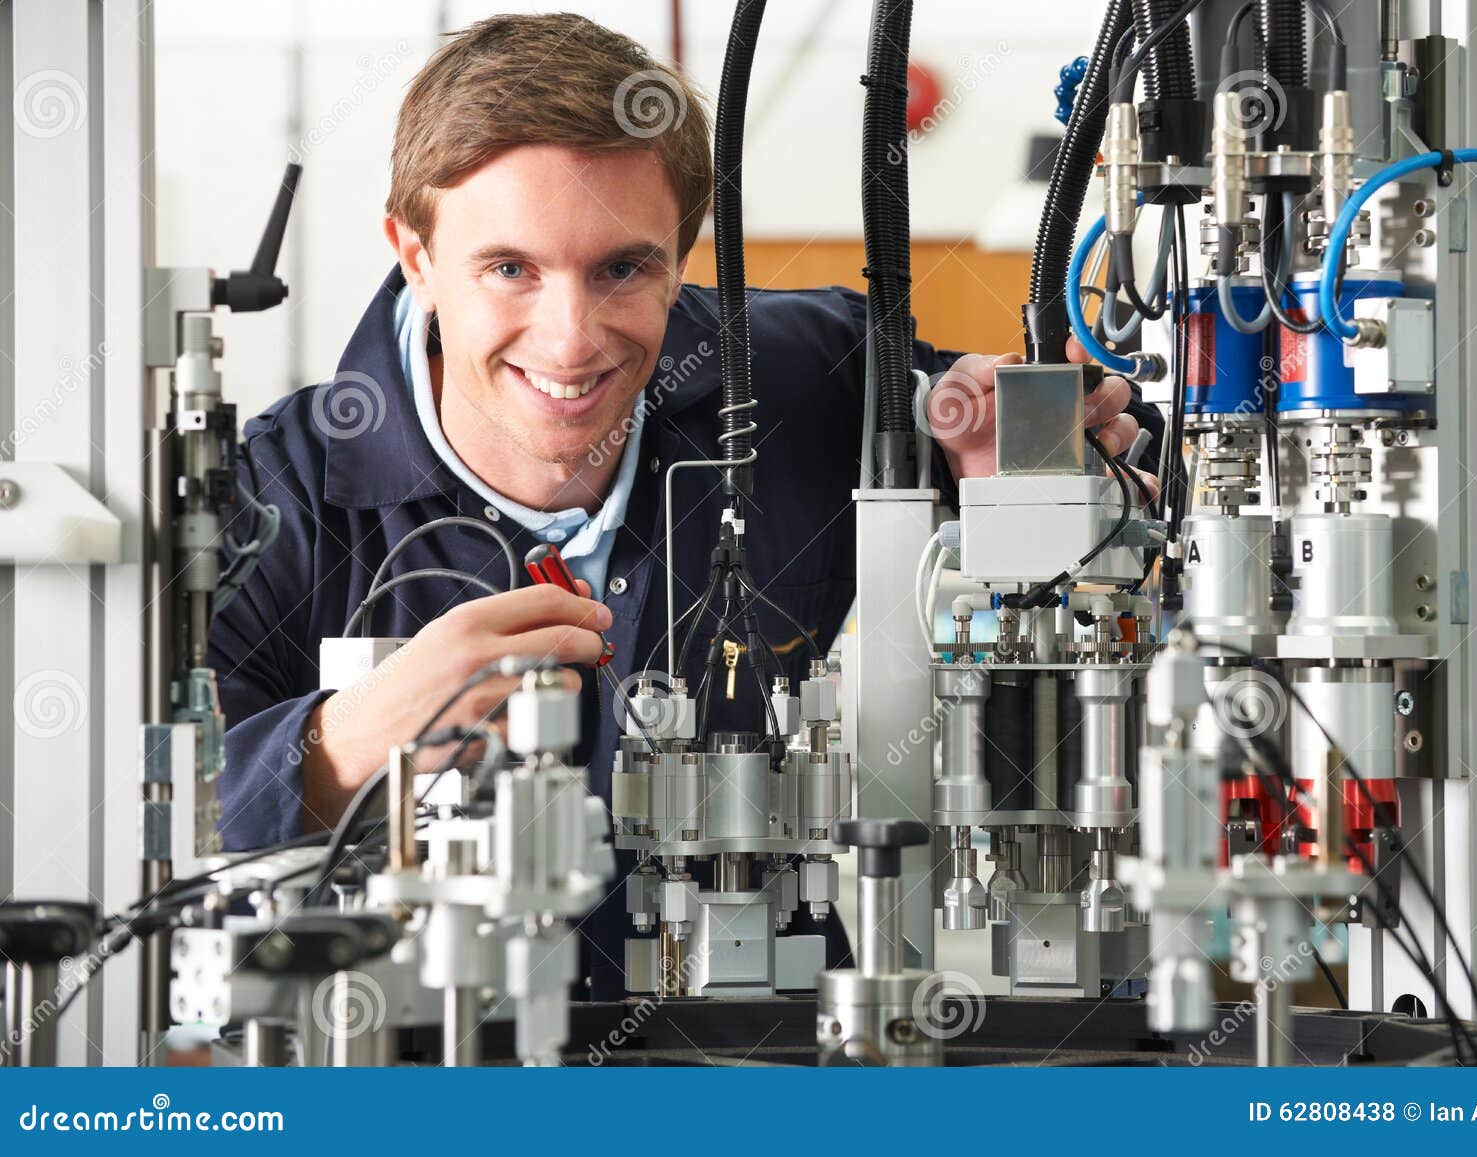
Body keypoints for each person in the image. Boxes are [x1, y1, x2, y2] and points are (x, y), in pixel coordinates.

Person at [210, 12, 1162, 997]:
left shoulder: (815, 373)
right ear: (414, 254)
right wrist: (343, 746)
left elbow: (1106, 461)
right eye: (510, 269)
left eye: (623, 268)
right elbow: (138, 830)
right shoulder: (281, 495)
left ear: (682, 250)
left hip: (764, 1056)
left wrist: (1023, 447)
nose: (570, 338)